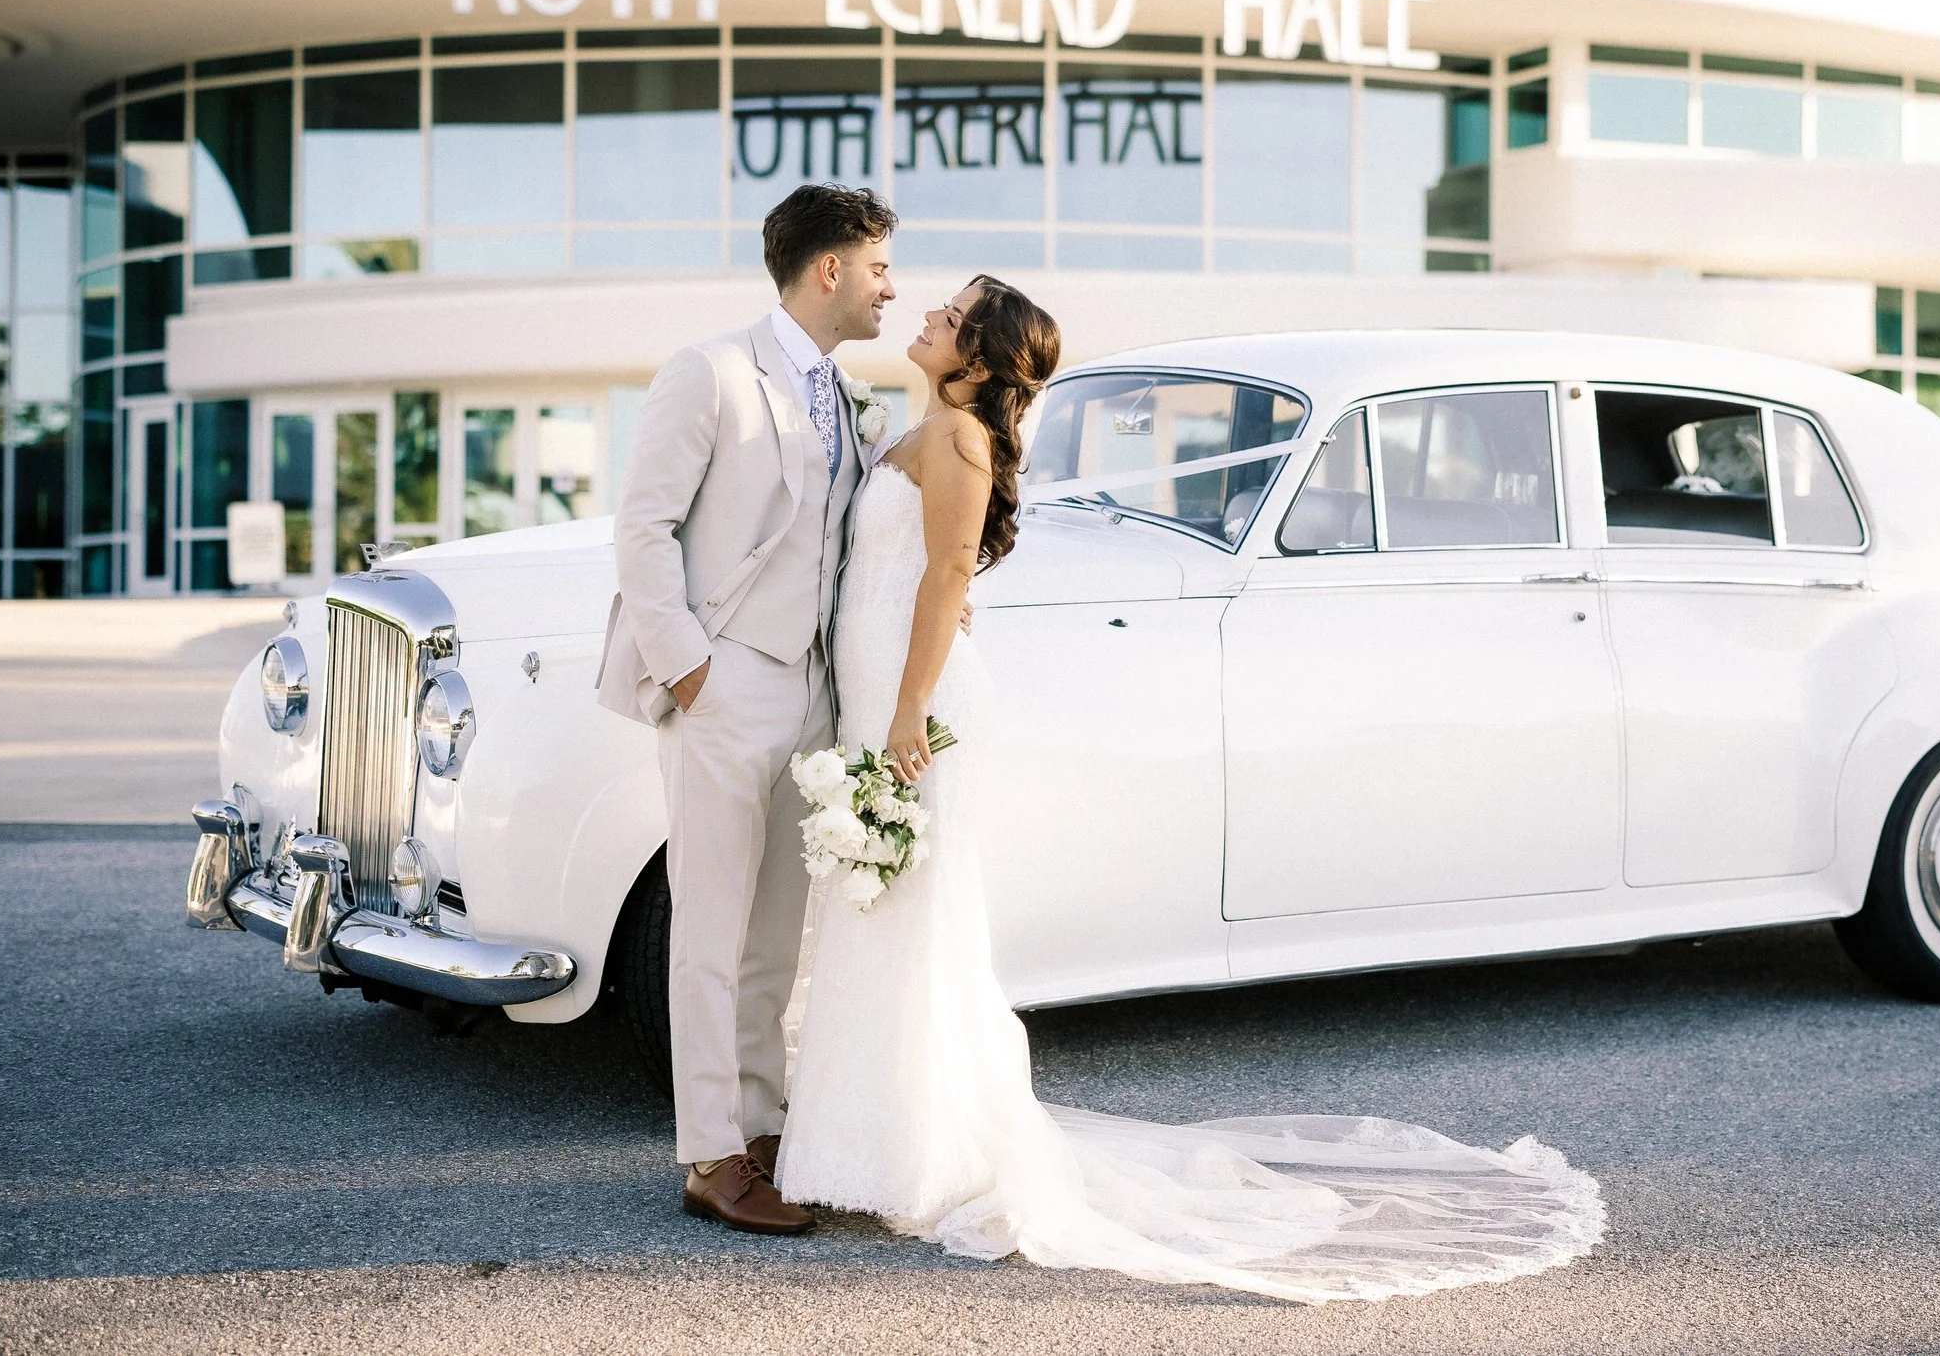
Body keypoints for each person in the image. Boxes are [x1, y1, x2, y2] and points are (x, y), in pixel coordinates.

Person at [775, 275, 1608, 1302]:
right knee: (879, 910)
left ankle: (911, 1152)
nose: (930, 316)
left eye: (950, 314)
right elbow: (928, 576)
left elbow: (950, 570)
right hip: (882, 682)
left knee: (911, 912)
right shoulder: (931, 426)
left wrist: (907, 708)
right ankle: (858, 1141)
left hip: (910, 701)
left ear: (980, 359)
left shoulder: (956, 440)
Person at [596, 183, 897, 1235]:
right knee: (710, 931)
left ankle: (767, 1131)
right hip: (725, 682)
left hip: (810, 688)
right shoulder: (711, 370)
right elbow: (643, 528)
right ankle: (710, 1153)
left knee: (778, 934)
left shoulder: (852, 397)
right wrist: (691, 671)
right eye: (876, 269)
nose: (889, 289)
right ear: (829, 267)